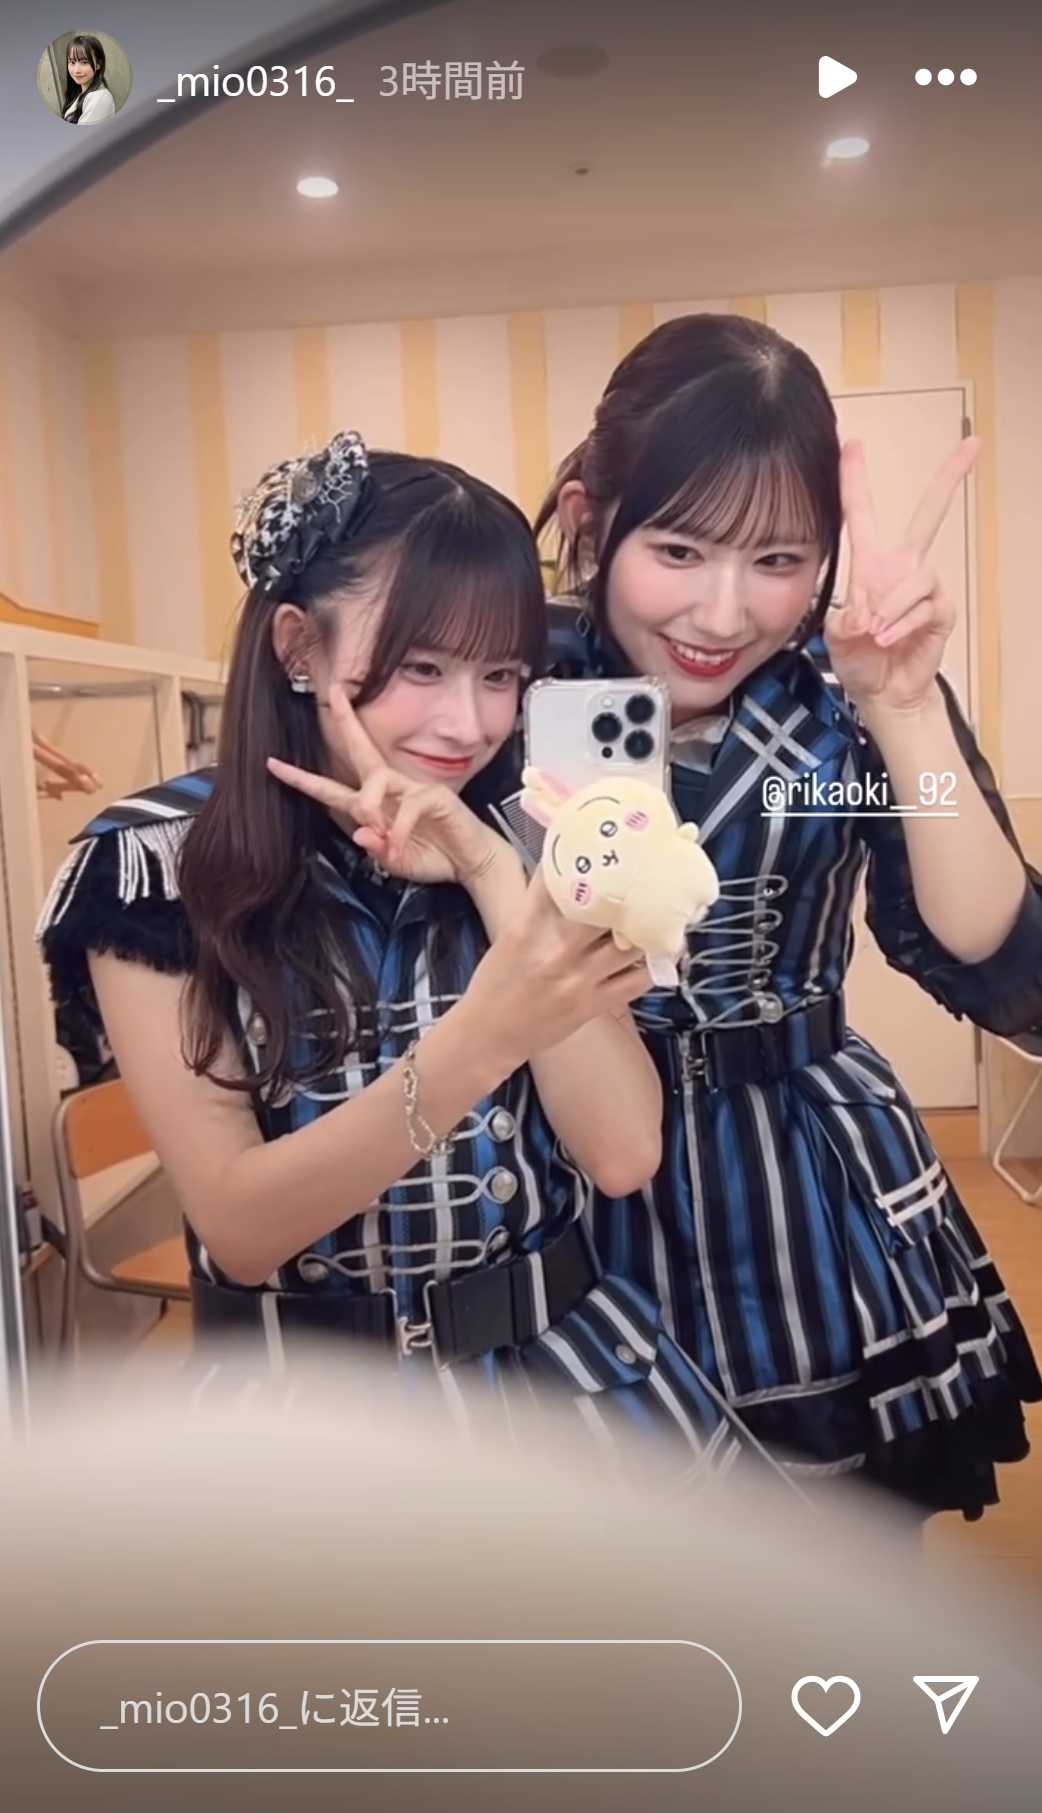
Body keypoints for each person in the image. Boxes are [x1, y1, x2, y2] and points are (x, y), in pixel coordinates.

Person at [35, 429, 789, 1481]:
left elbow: (622, 1152)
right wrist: (486, 1035)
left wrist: (486, 867)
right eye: (422, 668)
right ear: (299, 647)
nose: (468, 723)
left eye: (500, 675)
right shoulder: (154, 863)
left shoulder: (534, 829)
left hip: (560, 1384)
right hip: (306, 1424)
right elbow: (241, 1225)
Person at [526, 313, 1042, 1520]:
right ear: (590, 520)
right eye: (678, 548)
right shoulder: (509, 686)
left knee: (840, 1555)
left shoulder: (840, 712)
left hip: (804, 1171)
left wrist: (903, 706)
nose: (721, 613)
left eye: (776, 559)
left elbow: (984, 944)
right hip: (573, 1163)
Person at [62, 34, 115, 125]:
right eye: (72, 62)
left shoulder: (100, 98)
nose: (76, 70)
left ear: (98, 64)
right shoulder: (79, 94)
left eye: (84, 62)